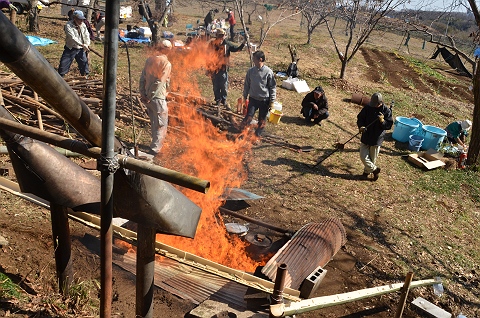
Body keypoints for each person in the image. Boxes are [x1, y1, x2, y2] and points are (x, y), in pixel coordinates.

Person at [139, 40, 172, 155]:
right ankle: (155, 150)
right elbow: (160, 81)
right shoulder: (166, 64)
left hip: (148, 96)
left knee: (154, 121)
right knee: (161, 124)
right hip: (157, 97)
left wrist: (143, 93)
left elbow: (142, 78)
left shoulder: (150, 60)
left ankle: (154, 144)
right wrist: (151, 96)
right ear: (167, 50)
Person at [356, 92, 393, 181]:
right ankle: (375, 170)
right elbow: (360, 118)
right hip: (366, 135)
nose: (373, 105)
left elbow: (388, 125)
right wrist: (361, 126)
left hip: (376, 138)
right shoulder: (368, 108)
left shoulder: (386, 111)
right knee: (363, 156)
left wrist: (382, 121)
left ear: (380, 102)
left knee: (372, 159)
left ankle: (366, 174)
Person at [240, 50, 277, 137]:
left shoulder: (268, 72)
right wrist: (244, 97)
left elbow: (272, 87)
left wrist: (272, 101)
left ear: (260, 59)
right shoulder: (251, 71)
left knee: (262, 120)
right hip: (253, 99)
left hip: (264, 100)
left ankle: (257, 136)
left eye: (254, 59)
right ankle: (242, 134)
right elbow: (246, 85)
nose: (253, 61)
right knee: (248, 117)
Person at [207, 28, 245, 109]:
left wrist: (243, 43)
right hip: (214, 68)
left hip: (223, 69)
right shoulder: (212, 44)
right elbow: (207, 56)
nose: (221, 37)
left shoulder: (226, 44)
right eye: (220, 35)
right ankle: (217, 100)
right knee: (216, 86)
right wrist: (208, 68)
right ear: (216, 36)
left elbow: (236, 49)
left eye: (223, 36)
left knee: (224, 85)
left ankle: (224, 100)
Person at [58, 10, 91, 78]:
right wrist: (82, 44)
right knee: (63, 66)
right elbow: (72, 37)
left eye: (82, 19)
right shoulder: (68, 25)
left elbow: (86, 35)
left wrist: (87, 44)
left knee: (84, 65)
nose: (81, 21)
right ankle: (60, 79)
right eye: (79, 19)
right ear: (74, 18)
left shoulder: (83, 25)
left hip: (80, 49)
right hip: (70, 48)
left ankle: (85, 78)